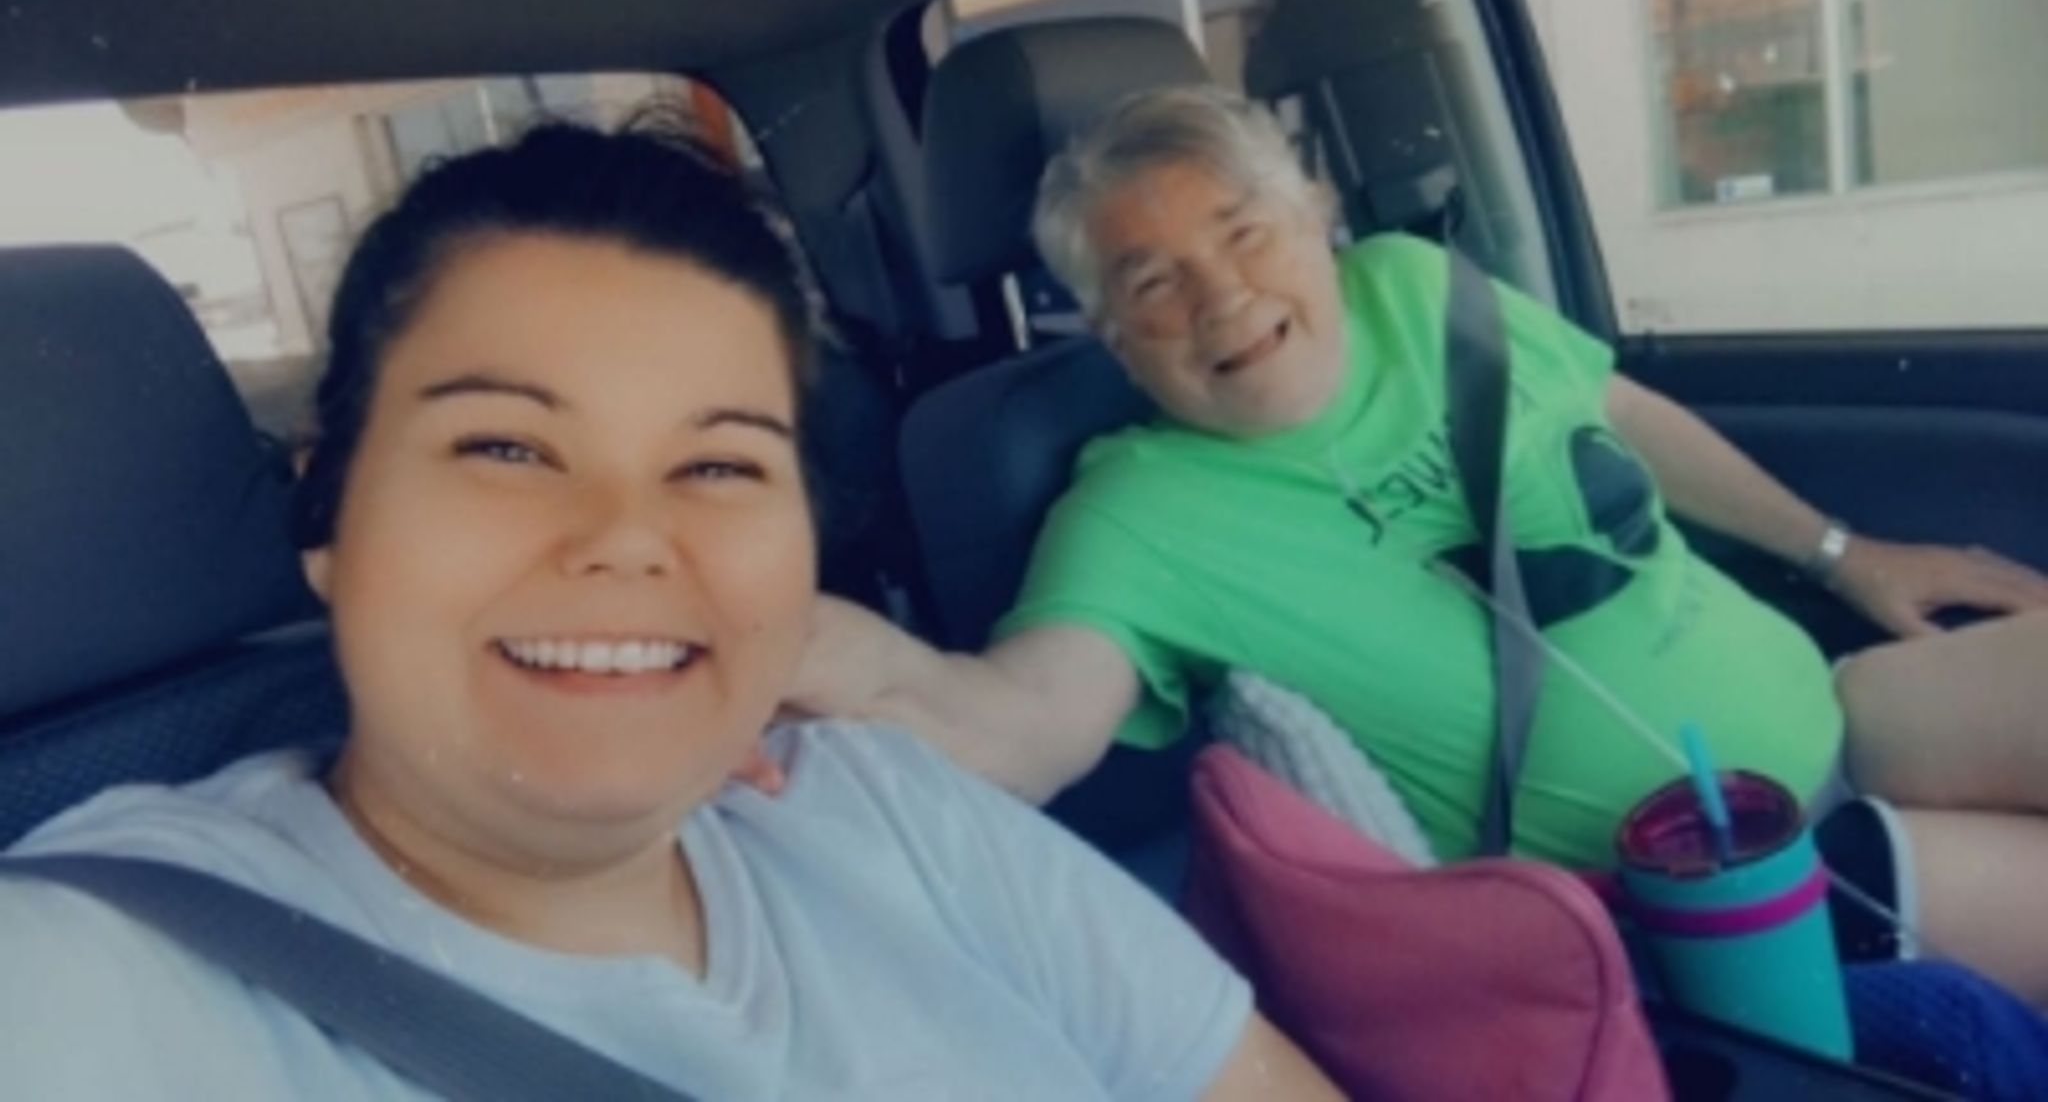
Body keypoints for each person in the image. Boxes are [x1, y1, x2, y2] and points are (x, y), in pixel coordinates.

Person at [0, 117, 1341, 1100]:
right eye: (506, 447)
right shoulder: (91, 973)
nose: (628, 538)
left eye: (718, 466)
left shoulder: (894, 811)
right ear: (328, 516)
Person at [786, 86, 2048, 1003]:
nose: (1222, 294)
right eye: (1152, 282)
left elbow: (1614, 409)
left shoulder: (1413, 288)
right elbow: (1029, 717)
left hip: (1833, 706)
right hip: (1711, 888)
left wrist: (1841, 551)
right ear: (1113, 338)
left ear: (1315, 213)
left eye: (1242, 230)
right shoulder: (1133, 514)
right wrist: (862, 671)